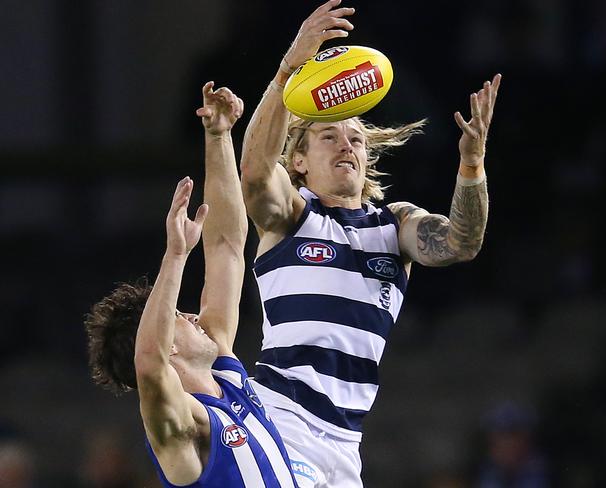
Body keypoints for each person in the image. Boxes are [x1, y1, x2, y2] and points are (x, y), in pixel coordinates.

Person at [239, 0, 500, 486]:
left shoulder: (394, 225)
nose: (347, 145)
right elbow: (253, 172)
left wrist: (472, 164)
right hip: (281, 420)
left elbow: (461, 243)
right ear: (297, 162)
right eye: (328, 137)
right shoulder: (292, 217)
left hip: (346, 441)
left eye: (356, 138)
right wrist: (288, 71)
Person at [84, 84, 297, 488]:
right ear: (168, 346)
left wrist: (218, 138)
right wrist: (175, 256)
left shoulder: (226, 374)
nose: (194, 315)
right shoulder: (180, 426)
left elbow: (226, 249)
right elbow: (149, 365)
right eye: (180, 316)